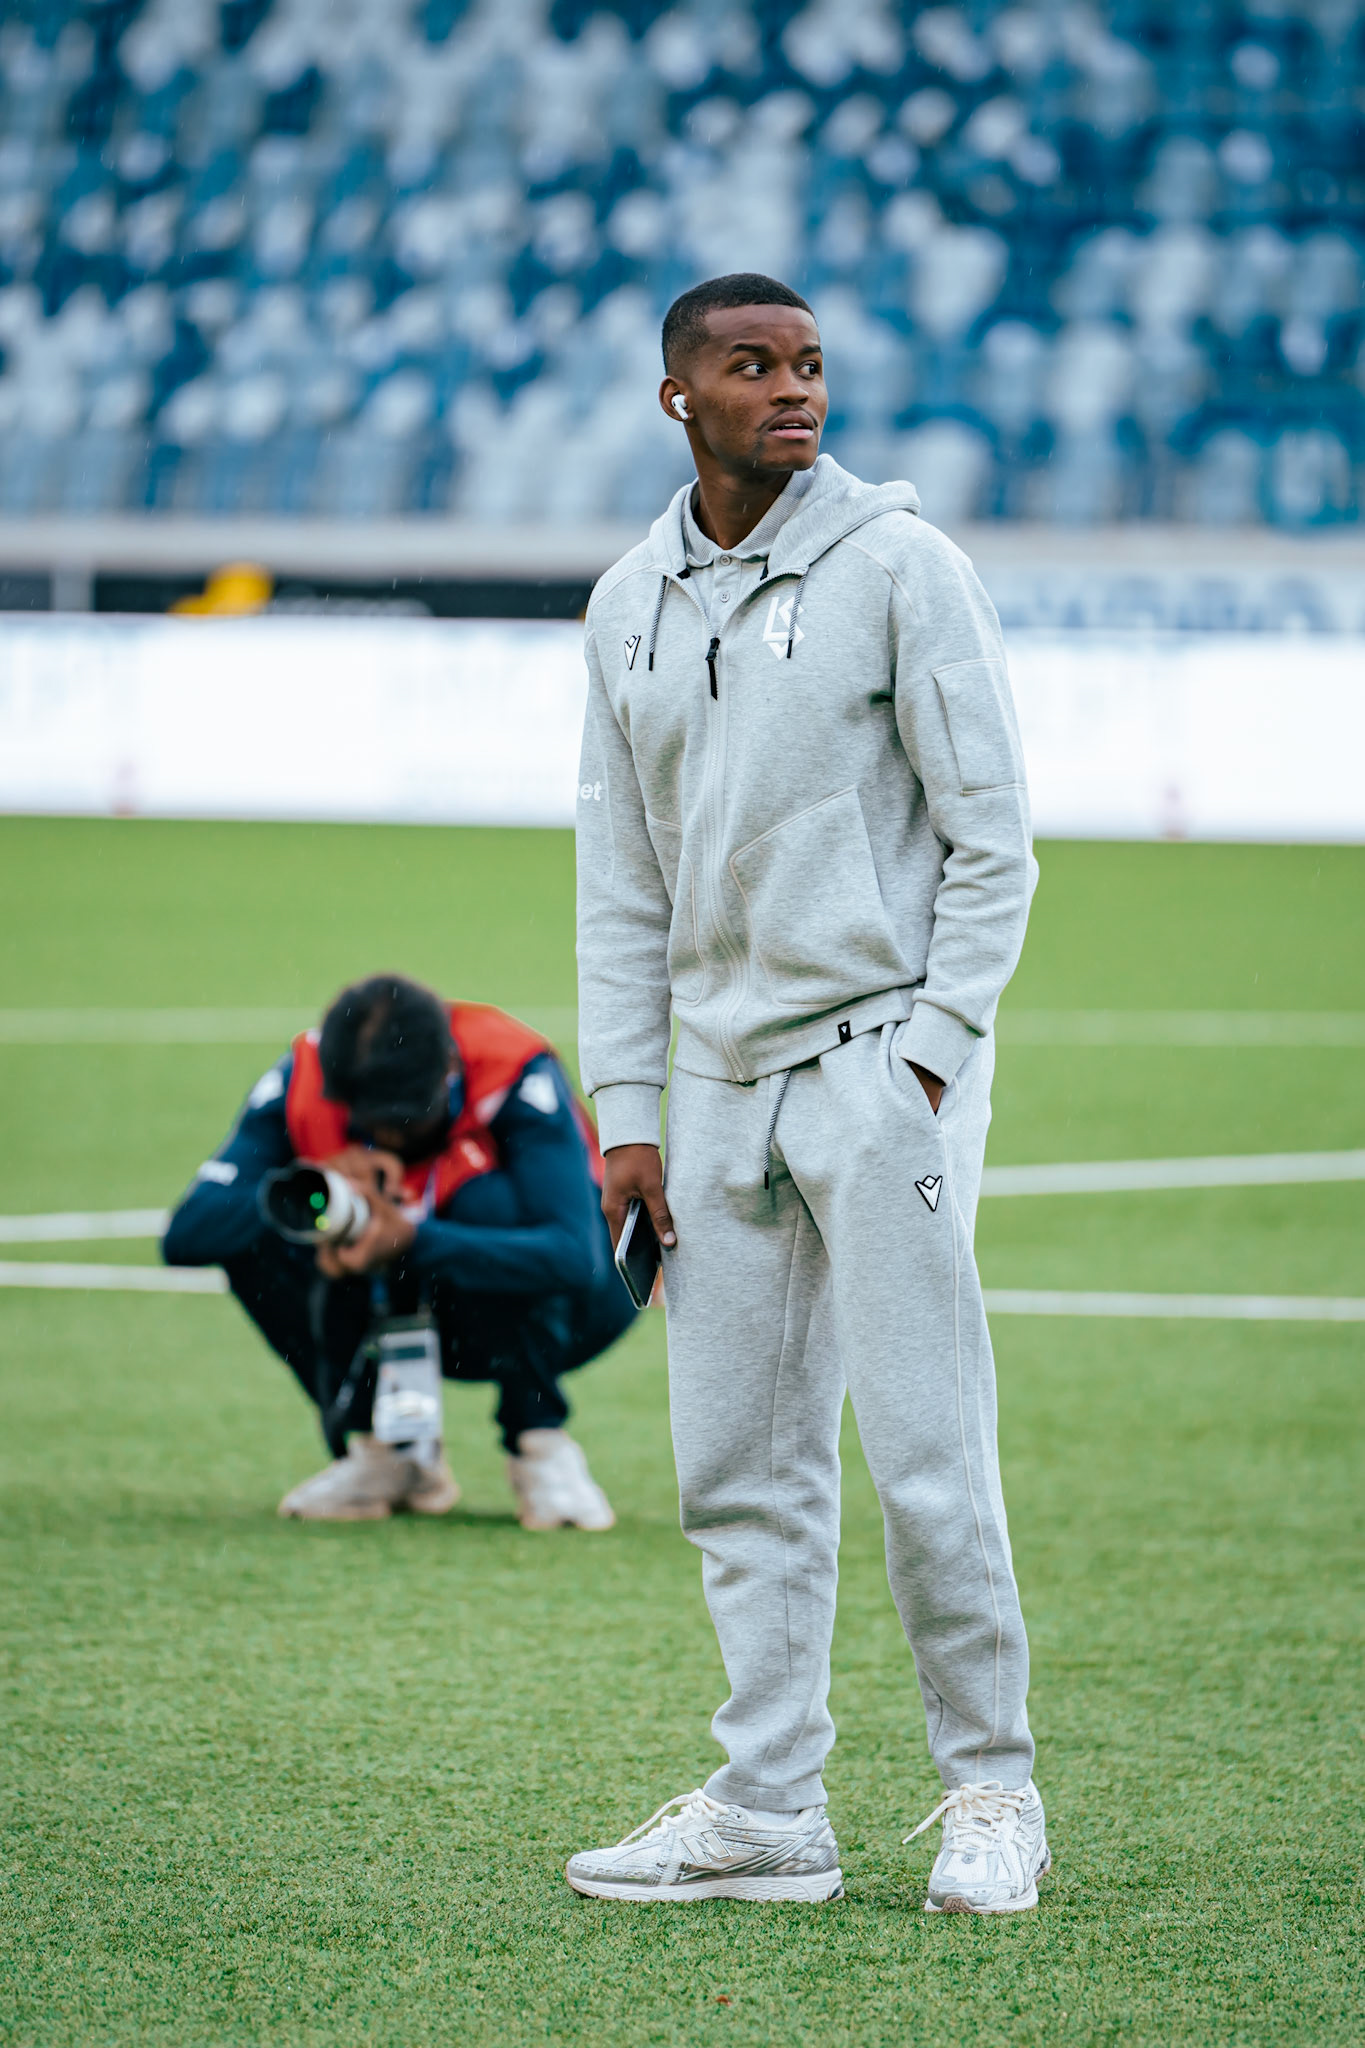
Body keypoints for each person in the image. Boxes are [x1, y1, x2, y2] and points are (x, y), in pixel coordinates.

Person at [567, 274, 1048, 1912]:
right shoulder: (626, 600)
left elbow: (995, 838)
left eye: (812, 365)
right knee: (738, 1466)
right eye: (751, 366)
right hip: (708, 1092)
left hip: (877, 1074)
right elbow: (620, 881)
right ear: (676, 398)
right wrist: (628, 1108)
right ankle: (771, 1809)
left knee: (928, 1451)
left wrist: (929, 1054)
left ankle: (993, 1788)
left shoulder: (907, 566)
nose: (794, 391)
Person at [163, 974, 634, 1529]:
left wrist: (411, 1238)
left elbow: (573, 1256)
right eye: (371, 1123)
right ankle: (389, 1454)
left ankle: (540, 1444)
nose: (389, 1138)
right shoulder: (305, 1077)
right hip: (405, 1304)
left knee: (490, 1205)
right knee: (260, 1230)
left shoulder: (509, 1065)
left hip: (584, 1308)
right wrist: (311, 1185)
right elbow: (187, 1235)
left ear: (449, 1071)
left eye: (409, 1119)